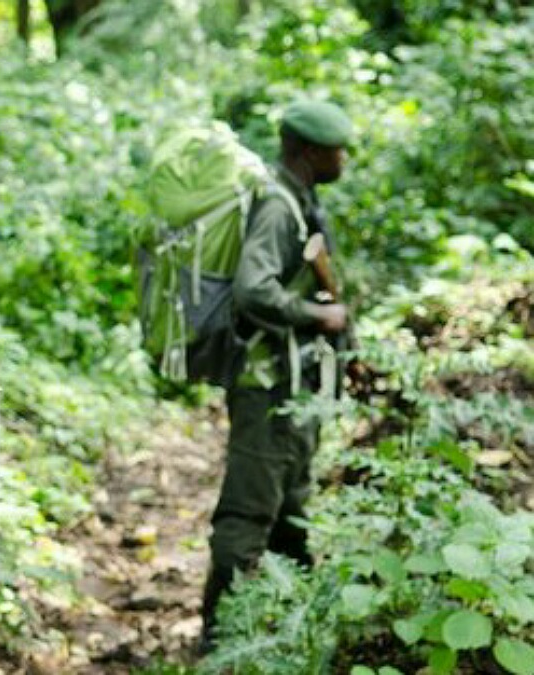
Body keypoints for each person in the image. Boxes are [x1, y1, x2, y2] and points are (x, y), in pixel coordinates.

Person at [199, 100, 354, 650]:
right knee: (247, 516)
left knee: (292, 510)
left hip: (293, 389)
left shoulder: (301, 201)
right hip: (265, 391)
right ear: (310, 152)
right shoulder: (277, 206)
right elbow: (252, 289)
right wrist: (319, 315)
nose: (345, 157)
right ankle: (218, 645)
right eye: (338, 149)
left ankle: (297, 630)